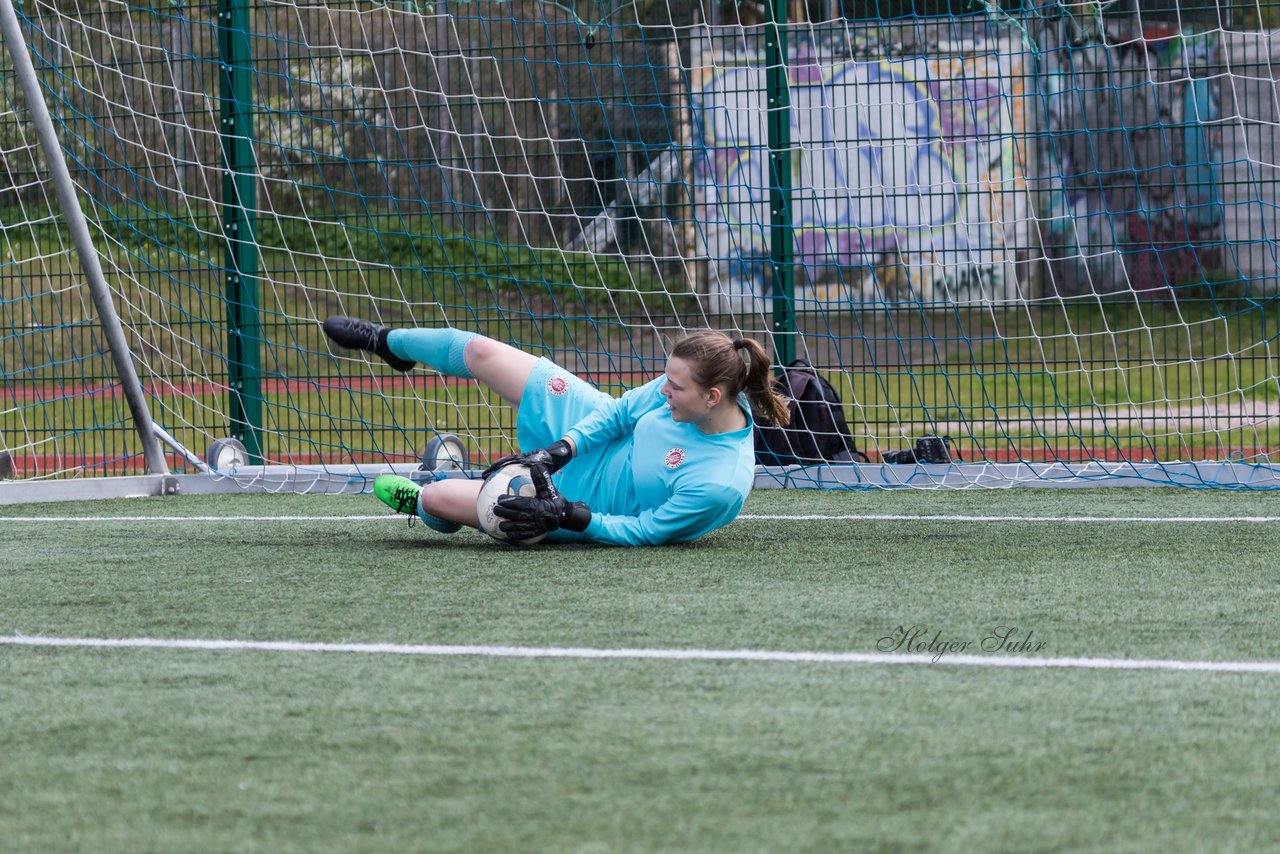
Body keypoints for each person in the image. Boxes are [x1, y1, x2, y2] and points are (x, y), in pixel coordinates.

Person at [322, 317, 790, 546]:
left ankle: (430, 491)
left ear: (711, 398)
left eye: (675, 387)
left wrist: (568, 514)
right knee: (483, 352)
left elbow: (644, 531)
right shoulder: (686, 384)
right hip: (595, 430)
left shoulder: (718, 483)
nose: (664, 390)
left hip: (584, 505)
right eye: (665, 379)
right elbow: (623, 412)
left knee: (443, 499)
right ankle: (386, 341)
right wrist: (562, 448)